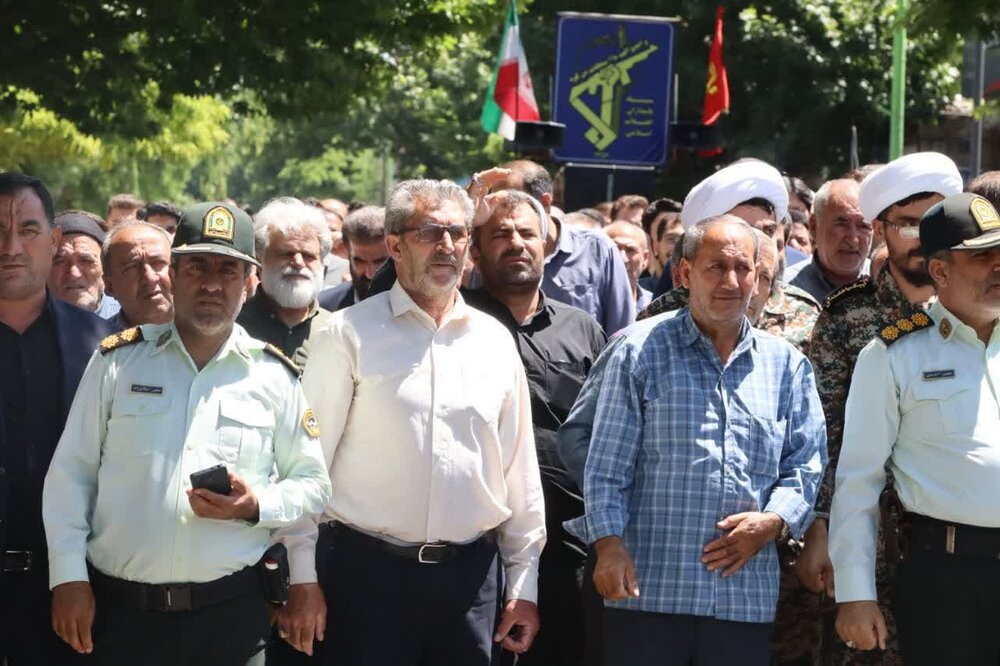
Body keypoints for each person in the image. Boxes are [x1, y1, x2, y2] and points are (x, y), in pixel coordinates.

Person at [42, 200, 332, 666]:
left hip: (231, 620)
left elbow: (313, 483)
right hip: (123, 617)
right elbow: (71, 477)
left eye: (228, 269)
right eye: (198, 266)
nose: (213, 283)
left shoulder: (274, 376)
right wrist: (68, 576)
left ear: (250, 283)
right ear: (173, 275)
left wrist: (256, 505)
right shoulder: (117, 362)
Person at [277, 179, 546, 666]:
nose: (446, 245)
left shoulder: (495, 341)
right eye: (430, 232)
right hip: (367, 581)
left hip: (471, 585)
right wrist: (302, 577)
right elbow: (304, 466)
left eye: (457, 233)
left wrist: (523, 585)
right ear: (395, 246)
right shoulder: (348, 334)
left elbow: (520, 474)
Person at [566, 215, 826, 666]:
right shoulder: (639, 351)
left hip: (742, 599)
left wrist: (775, 520)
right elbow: (606, 466)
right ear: (685, 273)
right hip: (648, 594)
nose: (731, 281)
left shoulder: (786, 366)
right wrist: (608, 545)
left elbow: (807, 462)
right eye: (716, 267)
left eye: (743, 268)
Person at [799, 151, 963, 665]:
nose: (922, 238)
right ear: (881, 229)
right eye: (908, 224)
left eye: (934, 223)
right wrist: (821, 526)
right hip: (869, 549)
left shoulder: (978, 315)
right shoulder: (847, 318)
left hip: (960, 547)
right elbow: (823, 436)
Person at [829, 193, 1000, 665]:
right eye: (981, 257)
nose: (998, 267)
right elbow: (859, 481)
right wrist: (855, 593)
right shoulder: (894, 354)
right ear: (940, 271)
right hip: (948, 576)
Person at [464, 190, 606, 666]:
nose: (516, 243)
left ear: (546, 244)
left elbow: (608, 431)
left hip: (568, 546)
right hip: (475, 549)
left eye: (527, 232)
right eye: (500, 234)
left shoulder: (582, 329)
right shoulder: (451, 322)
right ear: (473, 250)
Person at [0, 171, 116, 665]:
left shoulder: (102, 346)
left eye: (27, 230)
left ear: (52, 240)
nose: (11, 247)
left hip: (71, 590)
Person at [485, 160, 635, 334]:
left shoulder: (597, 250)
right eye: (494, 202)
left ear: (545, 202)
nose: (500, 210)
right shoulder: (489, 251)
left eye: (511, 202)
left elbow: (622, 331)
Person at [237, 197, 332, 367]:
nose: (298, 263)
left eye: (308, 256)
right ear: (259, 261)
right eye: (286, 254)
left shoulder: (337, 330)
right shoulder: (232, 327)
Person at [784, 179, 872, 303]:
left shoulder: (889, 283)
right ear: (814, 227)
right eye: (841, 224)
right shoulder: (786, 290)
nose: (853, 240)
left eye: (863, 226)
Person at [49, 211, 121, 319]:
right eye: (60, 261)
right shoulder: (26, 322)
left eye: (86, 260)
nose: (74, 274)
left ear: (106, 267)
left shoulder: (131, 318)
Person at [102, 221, 174, 329]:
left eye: (158, 263)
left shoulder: (201, 329)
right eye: (132, 267)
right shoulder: (98, 338)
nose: (150, 278)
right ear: (110, 286)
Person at [317, 205, 388, 311]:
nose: (370, 274)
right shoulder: (324, 307)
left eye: (379, 262)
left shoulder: (414, 305)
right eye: (359, 261)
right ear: (347, 254)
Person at [604, 221, 652, 312]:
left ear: (645, 258)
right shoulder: (588, 304)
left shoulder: (657, 306)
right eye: (615, 249)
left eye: (630, 250)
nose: (622, 259)